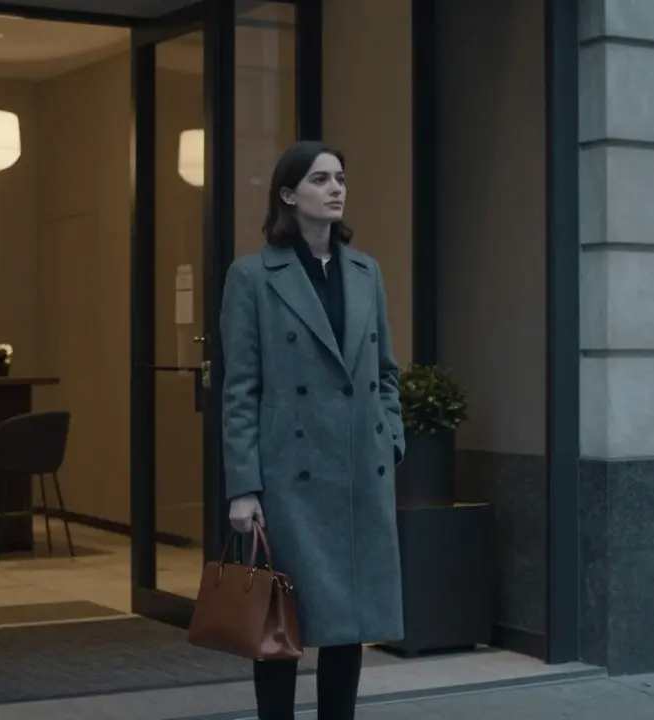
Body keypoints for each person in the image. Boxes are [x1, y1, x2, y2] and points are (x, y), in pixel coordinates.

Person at [219, 140, 406, 720]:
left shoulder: (365, 270)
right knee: (280, 622)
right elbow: (240, 389)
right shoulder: (252, 276)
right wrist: (244, 486)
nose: (336, 189)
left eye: (341, 179)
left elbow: (385, 373)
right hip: (289, 479)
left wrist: (388, 438)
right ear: (288, 195)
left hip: (357, 472)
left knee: (348, 627)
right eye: (320, 179)